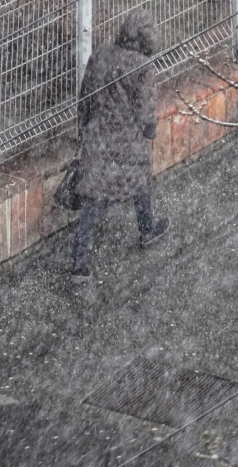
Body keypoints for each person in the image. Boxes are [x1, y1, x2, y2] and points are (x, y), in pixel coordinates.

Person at [71, 9, 169, 283]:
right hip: (127, 141)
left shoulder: (101, 54)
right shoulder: (142, 66)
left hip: (98, 138)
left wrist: (85, 129)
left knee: (93, 198)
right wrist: (150, 130)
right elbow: (146, 112)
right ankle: (147, 230)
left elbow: (85, 97)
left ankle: (80, 264)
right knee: (140, 185)